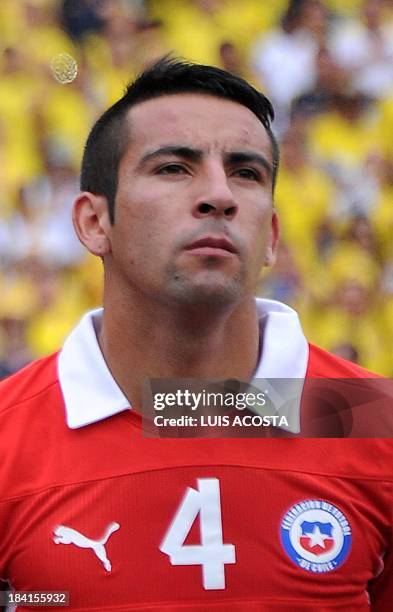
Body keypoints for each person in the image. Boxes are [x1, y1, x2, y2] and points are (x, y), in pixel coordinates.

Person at [0, 58, 392, 611]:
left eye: (246, 173)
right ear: (93, 223)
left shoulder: (377, 421)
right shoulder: (6, 437)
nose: (219, 195)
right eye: (173, 168)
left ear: (273, 236)